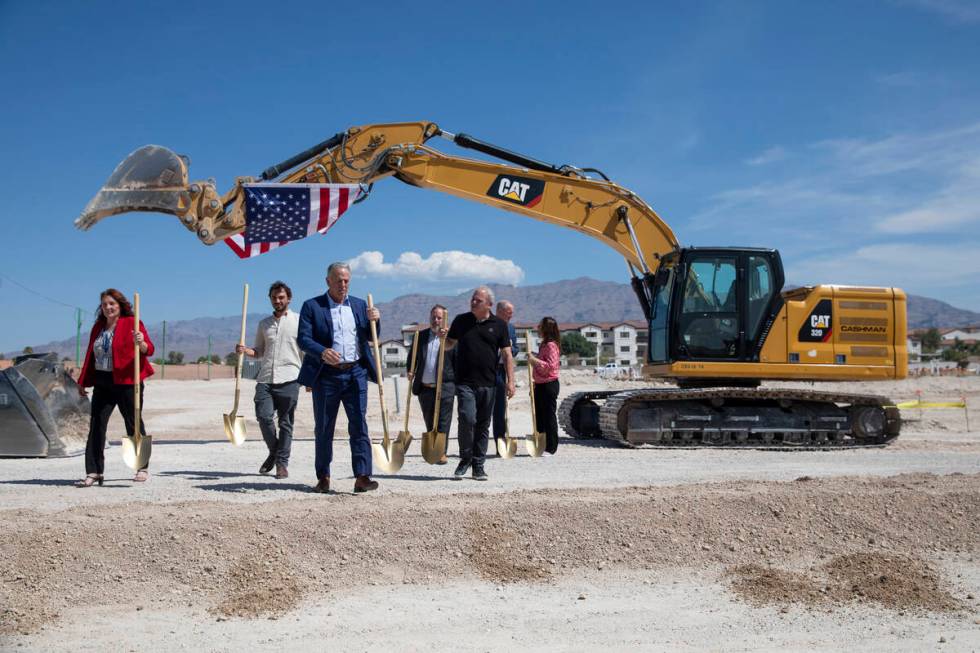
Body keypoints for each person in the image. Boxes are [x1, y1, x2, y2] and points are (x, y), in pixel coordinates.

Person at [297, 262, 381, 494]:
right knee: (324, 427)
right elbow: (303, 339)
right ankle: (323, 476)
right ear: (328, 282)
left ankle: (362, 476)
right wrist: (322, 352)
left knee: (359, 424)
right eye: (338, 280)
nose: (343, 284)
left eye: (346, 280)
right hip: (326, 376)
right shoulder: (312, 306)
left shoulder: (359, 305)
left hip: (356, 373)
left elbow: (371, 336)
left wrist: (375, 320)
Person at [75, 288, 155, 486]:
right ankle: (94, 471)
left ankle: (141, 466)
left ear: (120, 306)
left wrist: (141, 342)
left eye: (112, 304)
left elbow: (149, 350)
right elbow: (90, 355)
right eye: (104, 304)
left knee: (133, 423)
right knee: (96, 425)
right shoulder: (98, 327)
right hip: (103, 382)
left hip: (128, 381)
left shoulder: (132, 323)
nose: (108, 307)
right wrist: (83, 381)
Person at [446, 286, 515, 481]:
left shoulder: (499, 325)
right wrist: (445, 339)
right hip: (465, 382)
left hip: (489, 383)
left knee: (483, 424)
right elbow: (450, 344)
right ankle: (465, 458)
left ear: (489, 305)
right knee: (467, 419)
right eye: (473, 299)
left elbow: (507, 354)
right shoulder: (461, 320)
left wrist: (511, 381)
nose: (473, 302)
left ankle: (478, 465)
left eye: (478, 300)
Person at [236, 281, 301, 479]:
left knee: (286, 423)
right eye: (274, 297)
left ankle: (282, 464)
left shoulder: (300, 321)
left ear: (288, 298)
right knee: (263, 417)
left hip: (290, 377)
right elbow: (259, 351)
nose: (277, 300)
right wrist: (245, 350)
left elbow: (306, 351)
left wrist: (310, 380)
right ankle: (274, 451)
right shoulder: (263, 324)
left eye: (281, 297)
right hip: (265, 378)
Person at [409, 304, 456, 465]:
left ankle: (442, 452)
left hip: (445, 386)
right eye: (433, 317)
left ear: (444, 320)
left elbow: (459, 360)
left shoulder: (452, 338)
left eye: (439, 317)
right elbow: (412, 356)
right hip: (425, 387)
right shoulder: (420, 336)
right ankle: (433, 449)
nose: (436, 320)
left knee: (443, 420)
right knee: (429, 419)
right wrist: (410, 370)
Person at [527, 316, 561, 455]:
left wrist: (534, 360)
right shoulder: (543, 345)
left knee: (548, 416)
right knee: (539, 416)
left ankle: (551, 448)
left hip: (549, 385)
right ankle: (542, 444)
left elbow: (551, 366)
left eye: (540, 326)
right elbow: (542, 360)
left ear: (546, 329)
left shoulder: (551, 345)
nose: (538, 328)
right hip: (540, 385)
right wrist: (534, 356)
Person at [491, 300, 518, 451]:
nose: (511, 315)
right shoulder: (488, 325)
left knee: (500, 410)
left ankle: (499, 445)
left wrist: (508, 349)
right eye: (509, 313)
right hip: (487, 370)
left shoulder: (511, 328)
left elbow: (515, 349)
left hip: (501, 371)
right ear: (500, 311)